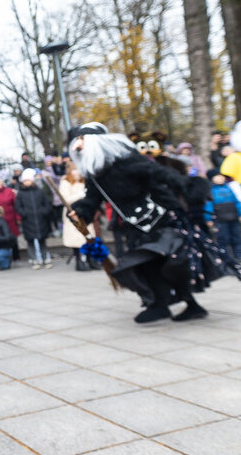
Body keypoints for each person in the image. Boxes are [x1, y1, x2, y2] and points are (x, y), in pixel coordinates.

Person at [68, 122, 239, 323]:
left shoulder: (126, 160)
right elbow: (92, 200)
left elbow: (161, 173)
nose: (77, 147)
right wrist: (81, 211)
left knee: (173, 263)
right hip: (134, 227)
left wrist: (188, 186)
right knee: (146, 266)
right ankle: (160, 305)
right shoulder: (95, 176)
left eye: (81, 141)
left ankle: (190, 304)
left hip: (161, 219)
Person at [58, 165, 96, 271]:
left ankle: (90, 260)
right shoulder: (65, 182)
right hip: (72, 214)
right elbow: (65, 200)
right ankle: (79, 262)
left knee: (89, 237)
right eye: (74, 169)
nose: (77, 172)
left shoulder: (84, 181)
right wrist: (79, 195)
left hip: (85, 213)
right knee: (77, 240)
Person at [15, 168, 53, 269]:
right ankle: (34, 259)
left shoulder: (40, 191)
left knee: (42, 241)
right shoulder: (21, 193)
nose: (27, 182)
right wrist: (24, 214)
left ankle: (45, 258)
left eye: (28, 180)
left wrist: (43, 212)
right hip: (28, 221)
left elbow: (47, 203)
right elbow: (18, 206)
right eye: (25, 181)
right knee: (30, 241)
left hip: (41, 220)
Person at [204, 169, 241, 259]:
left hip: (233, 217)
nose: (221, 177)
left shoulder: (228, 188)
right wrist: (208, 218)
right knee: (223, 239)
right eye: (217, 176)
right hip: (220, 220)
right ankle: (227, 259)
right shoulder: (210, 191)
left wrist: (240, 214)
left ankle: (239, 256)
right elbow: (208, 206)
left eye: (221, 175)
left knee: (237, 238)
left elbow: (236, 202)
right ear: (211, 178)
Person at [0, 175, 21, 259]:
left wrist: (18, 217)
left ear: (2, 182)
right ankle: (3, 256)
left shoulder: (9, 192)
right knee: (0, 237)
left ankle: (16, 256)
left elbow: (16, 205)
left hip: (10, 219)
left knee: (12, 236)